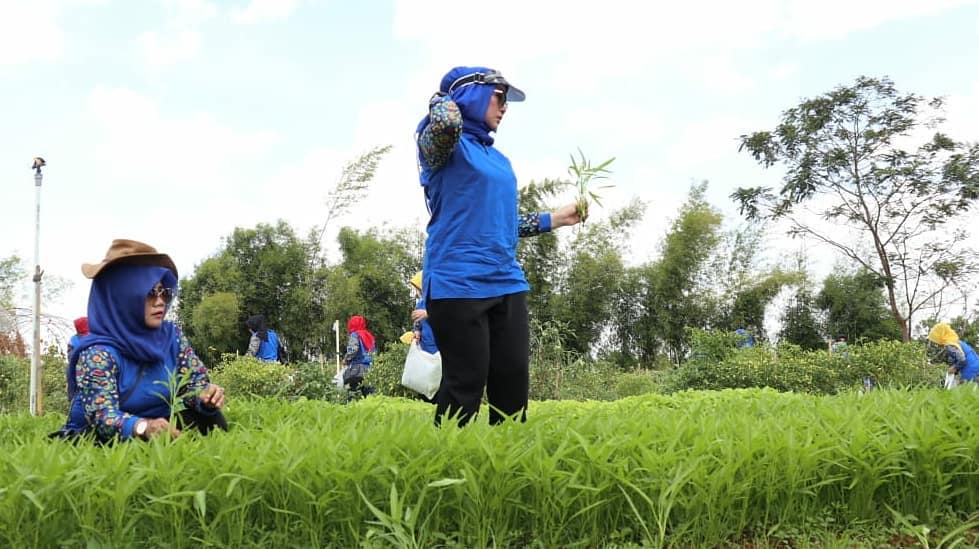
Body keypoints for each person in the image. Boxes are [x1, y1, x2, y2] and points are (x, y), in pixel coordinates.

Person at [415, 66, 585, 426]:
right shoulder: (441, 146)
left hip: (506, 280)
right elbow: (447, 123)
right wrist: (442, 95)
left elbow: (502, 221)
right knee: (466, 381)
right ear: (471, 95)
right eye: (499, 96)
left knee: (512, 382)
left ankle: (507, 458)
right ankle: (445, 456)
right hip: (457, 282)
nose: (505, 107)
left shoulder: (498, 159)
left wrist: (556, 218)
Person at [52, 239, 227, 443]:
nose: (160, 301)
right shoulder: (98, 353)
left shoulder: (171, 337)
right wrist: (142, 426)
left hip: (159, 423)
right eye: (150, 293)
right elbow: (102, 416)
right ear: (122, 297)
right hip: (106, 433)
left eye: (163, 292)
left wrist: (204, 396)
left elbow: (193, 383)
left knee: (211, 419)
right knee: (126, 440)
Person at [342, 315, 376, 395]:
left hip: (357, 369)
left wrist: (346, 359)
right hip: (370, 369)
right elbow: (373, 352)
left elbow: (353, 350)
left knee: (354, 394)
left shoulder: (355, 335)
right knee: (369, 395)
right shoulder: (369, 336)